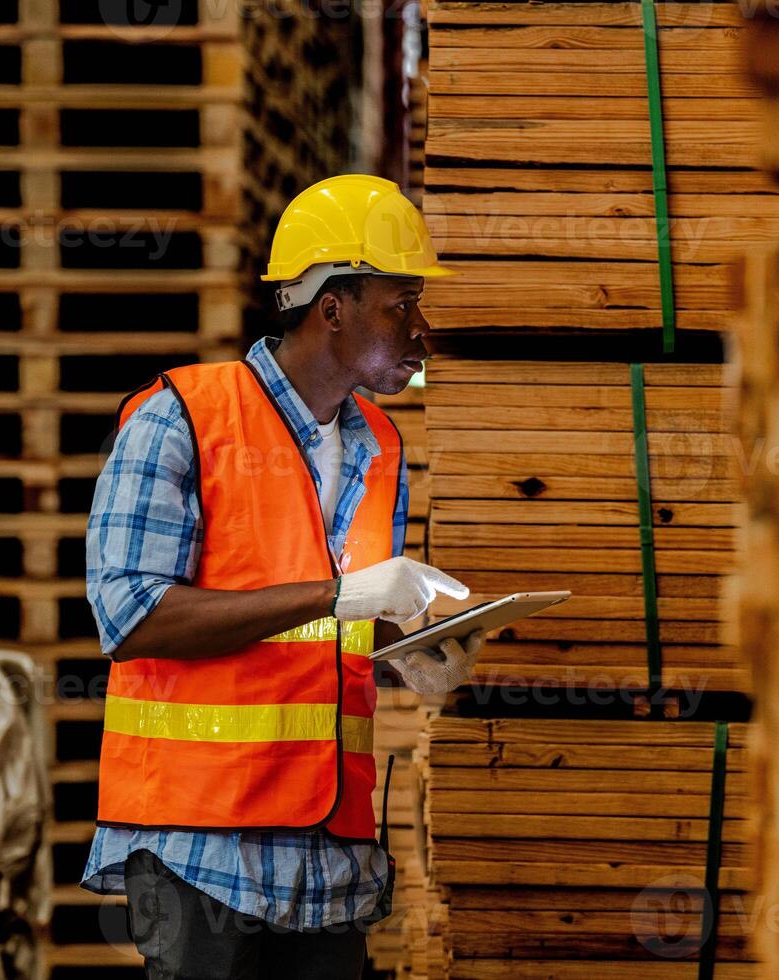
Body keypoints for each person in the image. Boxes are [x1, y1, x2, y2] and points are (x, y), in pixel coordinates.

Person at [78, 174, 484, 979]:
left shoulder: (379, 447)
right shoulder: (182, 417)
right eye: (401, 303)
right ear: (332, 307)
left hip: (329, 851)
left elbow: (331, 631)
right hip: (200, 845)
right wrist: (341, 598)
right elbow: (128, 614)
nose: (421, 331)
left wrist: (408, 651)